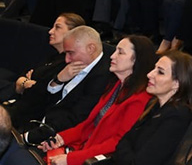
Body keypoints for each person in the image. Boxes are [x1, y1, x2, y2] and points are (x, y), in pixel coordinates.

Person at [38, 36, 156, 165]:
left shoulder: (140, 98)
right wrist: (61, 138)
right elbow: (91, 125)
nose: (112, 56)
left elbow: (118, 143)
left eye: (120, 52)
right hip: (86, 150)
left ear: (137, 60)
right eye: (115, 51)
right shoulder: (116, 85)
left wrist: (70, 159)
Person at [11, 26, 112, 145]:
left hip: (48, 136)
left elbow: (74, 118)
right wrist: (57, 81)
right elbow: (33, 95)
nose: (67, 59)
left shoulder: (103, 77)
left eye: (70, 53)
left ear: (91, 48)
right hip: (26, 119)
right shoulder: (71, 63)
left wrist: (27, 137)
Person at [112, 51, 192, 165]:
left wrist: (124, 153)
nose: (149, 74)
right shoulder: (154, 104)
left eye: (160, 72)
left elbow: (141, 162)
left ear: (176, 84)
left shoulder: (178, 117)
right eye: (154, 69)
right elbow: (123, 142)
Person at [0, 13, 84, 102]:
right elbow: (26, 75)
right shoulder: (53, 56)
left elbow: (39, 89)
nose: (50, 31)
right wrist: (24, 82)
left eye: (57, 27)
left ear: (72, 33)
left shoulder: (67, 64)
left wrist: (25, 83)